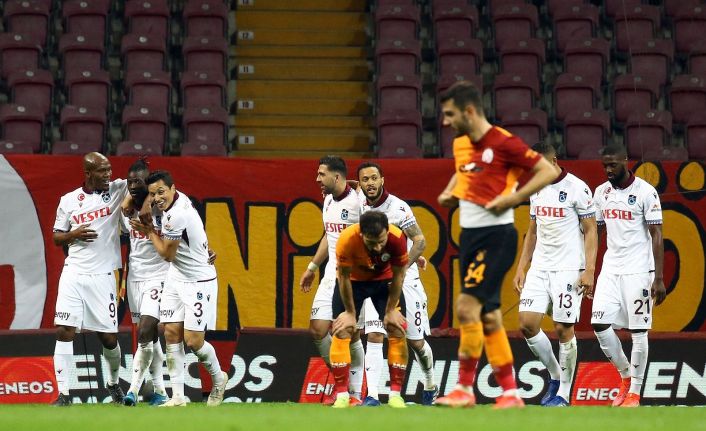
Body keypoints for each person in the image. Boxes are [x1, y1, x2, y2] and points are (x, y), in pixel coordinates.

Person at [435, 81, 558, 409]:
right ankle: (511, 393)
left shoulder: (503, 142)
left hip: (496, 236)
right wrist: (451, 192)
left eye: (450, 114)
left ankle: (464, 388)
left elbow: (547, 171)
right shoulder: (461, 143)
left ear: (469, 111)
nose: (445, 121)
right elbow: (463, 173)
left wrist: (513, 199)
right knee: (488, 316)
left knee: (466, 308)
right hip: (470, 236)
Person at [129, 170, 228, 407]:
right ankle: (177, 397)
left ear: (173, 188)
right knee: (171, 332)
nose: (157, 198)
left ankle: (218, 378)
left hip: (198, 280)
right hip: (176, 276)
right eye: (153, 194)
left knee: (193, 341)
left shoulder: (176, 215)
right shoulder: (176, 199)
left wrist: (148, 231)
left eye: (161, 192)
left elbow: (167, 254)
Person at [513, 143, 598, 407]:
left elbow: (591, 230)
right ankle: (555, 374)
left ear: (554, 161)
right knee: (527, 324)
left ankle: (563, 393)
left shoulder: (577, 188)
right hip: (540, 268)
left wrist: (589, 270)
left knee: (563, 328)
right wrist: (521, 266)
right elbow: (533, 230)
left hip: (568, 269)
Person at [355, 161, 438, 406]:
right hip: (376, 279)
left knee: (416, 342)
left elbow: (420, 241)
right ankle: (372, 395)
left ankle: (430, 384)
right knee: (374, 334)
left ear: (383, 180)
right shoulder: (359, 203)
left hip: (405, 280)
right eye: (365, 180)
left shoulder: (399, 208)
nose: (370, 183)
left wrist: (402, 267)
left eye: (374, 178)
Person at [590, 144, 665, 408]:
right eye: (605, 166)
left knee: (638, 331)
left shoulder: (646, 192)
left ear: (625, 161)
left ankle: (634, 392)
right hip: (610, 269)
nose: (608, 170)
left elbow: (657, 235)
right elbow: (596, 232)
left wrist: (658, 278)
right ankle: (625, 376)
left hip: (639, 270)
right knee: (599, 324)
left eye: (613, 164)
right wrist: (587, 269)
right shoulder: (601, 192)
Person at [51, 152, 129, 406]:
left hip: (103, 276)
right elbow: (57, 237)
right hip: (73, 273)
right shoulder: (68, 200)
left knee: (108, 338)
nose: (108, 174)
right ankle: (64, 394)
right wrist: (73, 234)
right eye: (102, 171)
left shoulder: (117, 190)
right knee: (64, 330)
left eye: (109, 169)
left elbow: (139, 180)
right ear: (88, 173)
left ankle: (113, 383)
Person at [299, 156, 365, 405]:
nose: (317, 179)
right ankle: (342, 383)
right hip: (330, 274)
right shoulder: (327, 200)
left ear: (336, 176)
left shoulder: (359, 203)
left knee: (348, 332)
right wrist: (312, 267)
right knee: (318, 329)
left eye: (321, 174)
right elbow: (329, 235)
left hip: (354, 276)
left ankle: (353, 393)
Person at [329, 211, 409, 408]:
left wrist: (390, 310)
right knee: (342, 329)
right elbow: (343, 277)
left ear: (387, 231)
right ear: (361, 234)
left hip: (384, 283)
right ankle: (342, 396)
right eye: (371, 243)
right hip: (353, 283)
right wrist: (350, 313)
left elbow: (399, 275)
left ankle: (395, 395)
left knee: (397, 328)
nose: (378, 247)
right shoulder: (347, 239)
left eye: (381, 241)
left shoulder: (397, 238)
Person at [119, 159, 169, 406]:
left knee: (146, 330)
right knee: (149, 338)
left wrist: (150, 199)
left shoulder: (162, 206)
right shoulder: (127, 209)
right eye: (130, 182)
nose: (132, 186)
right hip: (135, 279)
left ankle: (133, 390)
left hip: (159, 276)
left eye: (138, 182)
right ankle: (160, 392)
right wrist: (129, 199)